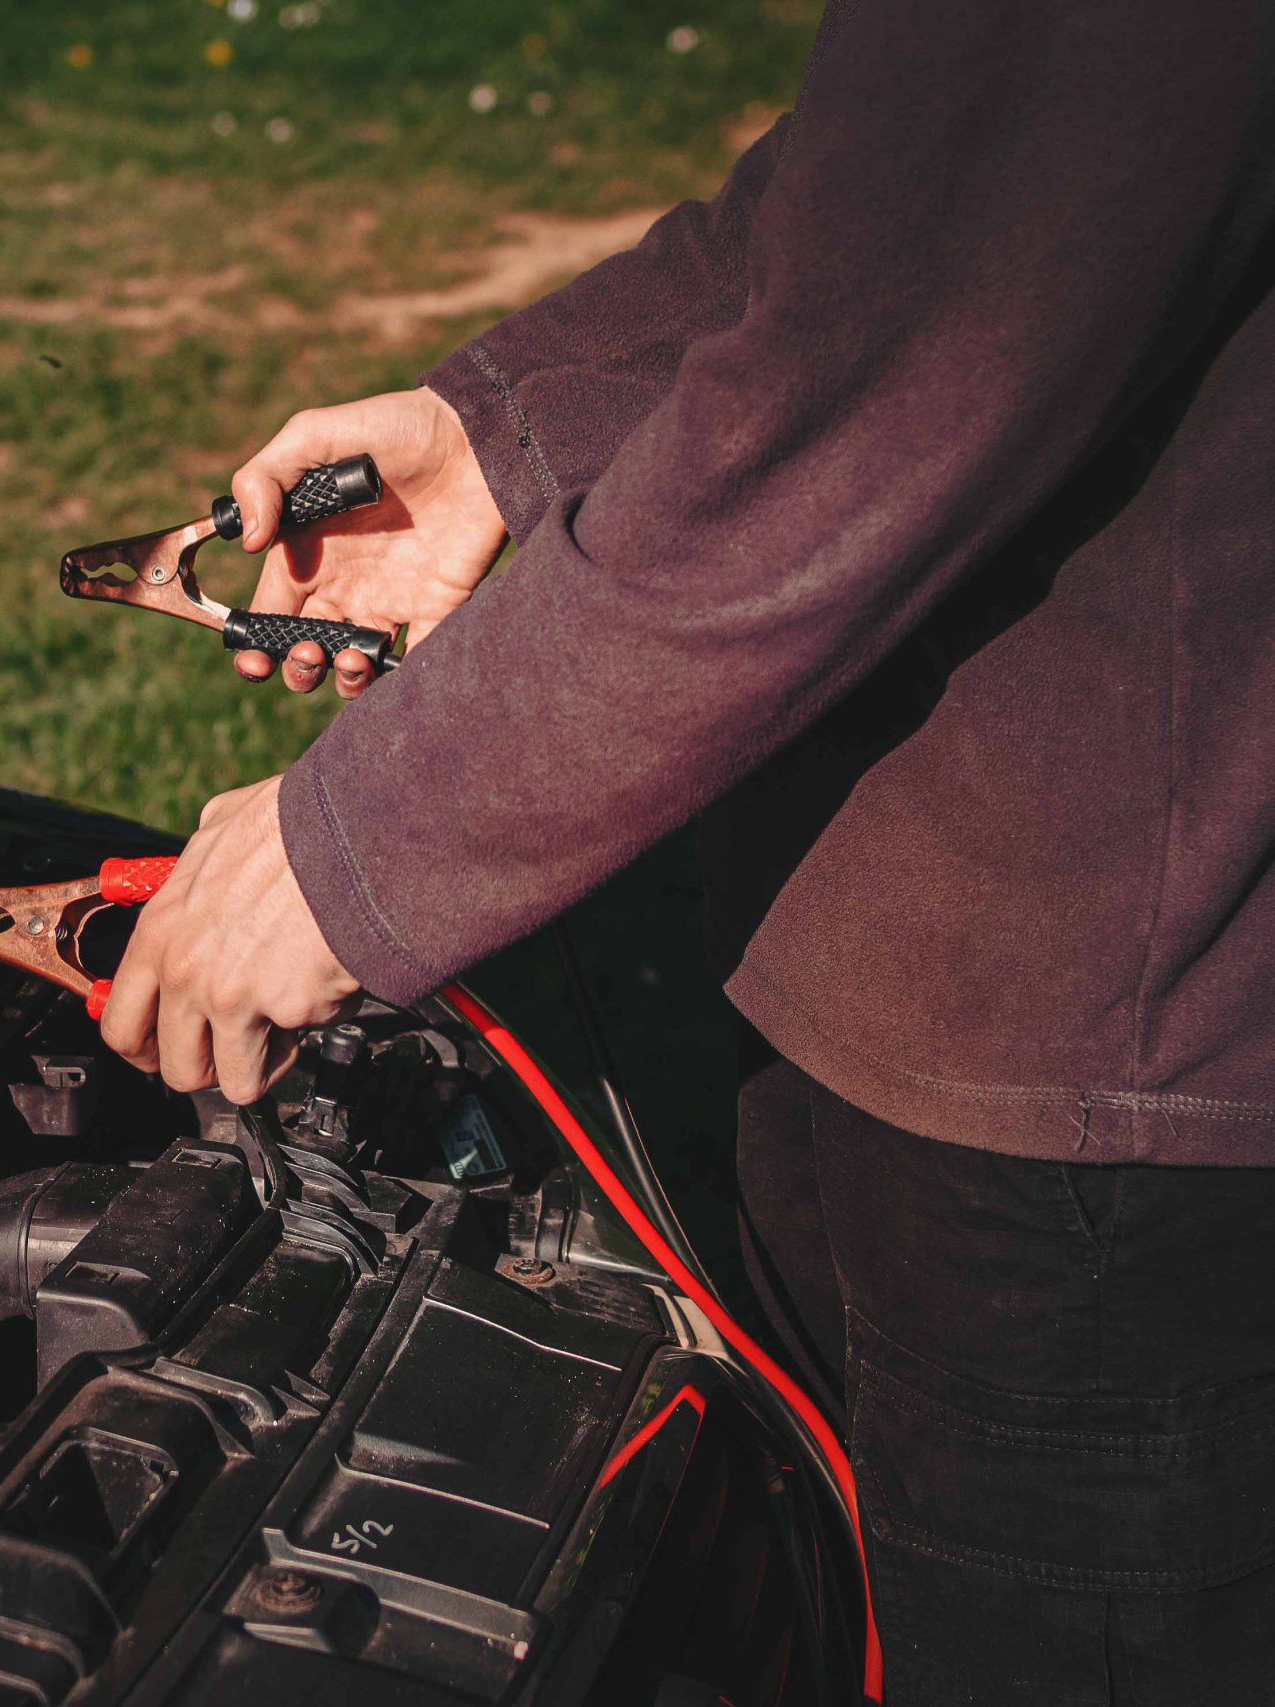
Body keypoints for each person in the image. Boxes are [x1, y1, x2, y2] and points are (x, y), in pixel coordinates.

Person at [93, 2, 1275, 1699]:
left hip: (1098, 1072)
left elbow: (895, 373)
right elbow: (890, 196)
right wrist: (505, 427)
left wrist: (350, 840)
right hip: (896, 960)